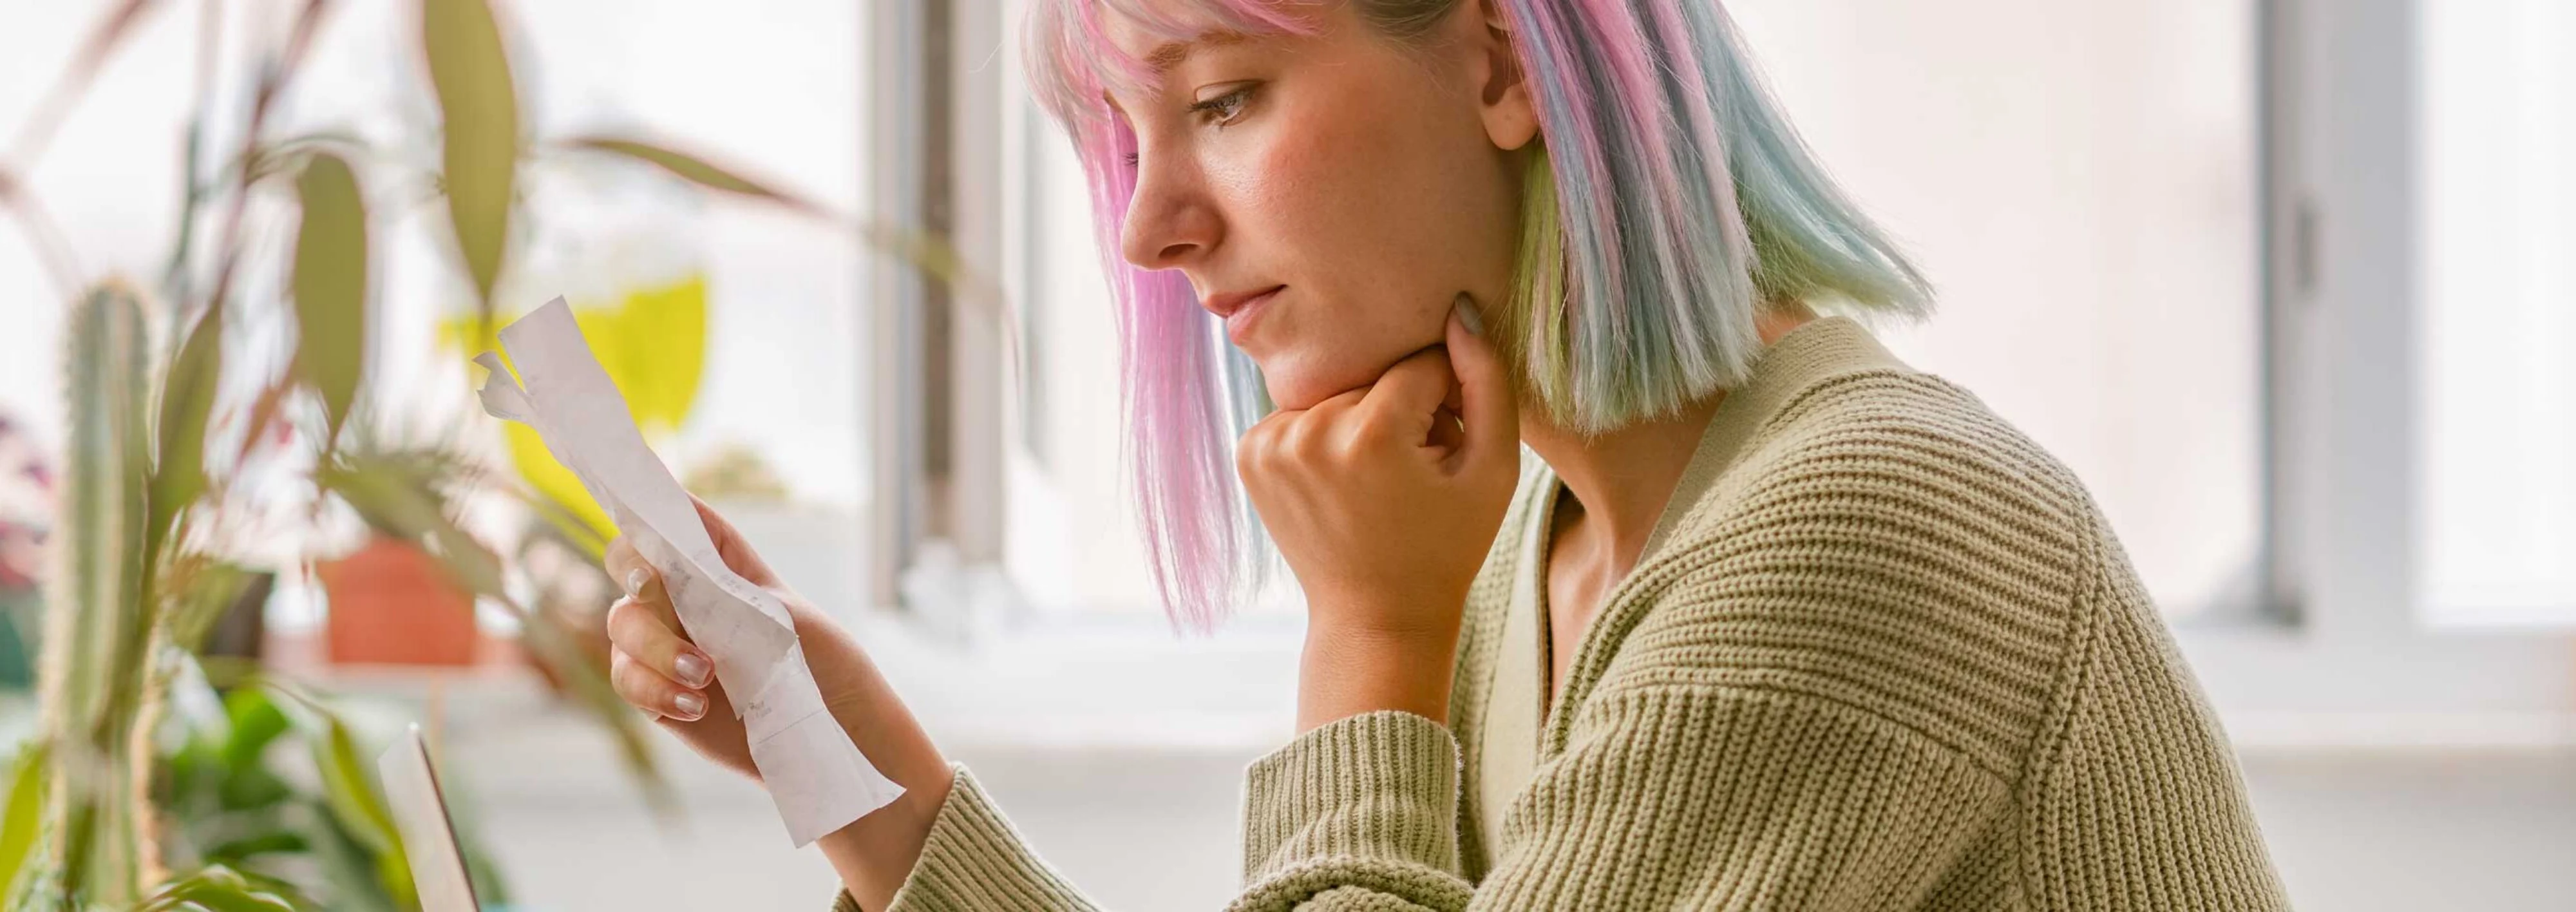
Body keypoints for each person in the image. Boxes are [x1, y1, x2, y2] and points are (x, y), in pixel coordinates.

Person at [601, 0, 2293, 908]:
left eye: (1222, 100)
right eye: (1130, 140)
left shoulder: (1859, 528)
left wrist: (1368, 647)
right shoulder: (1544, 535)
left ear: (1499, 59)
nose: (1148, 231)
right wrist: (872, 790)